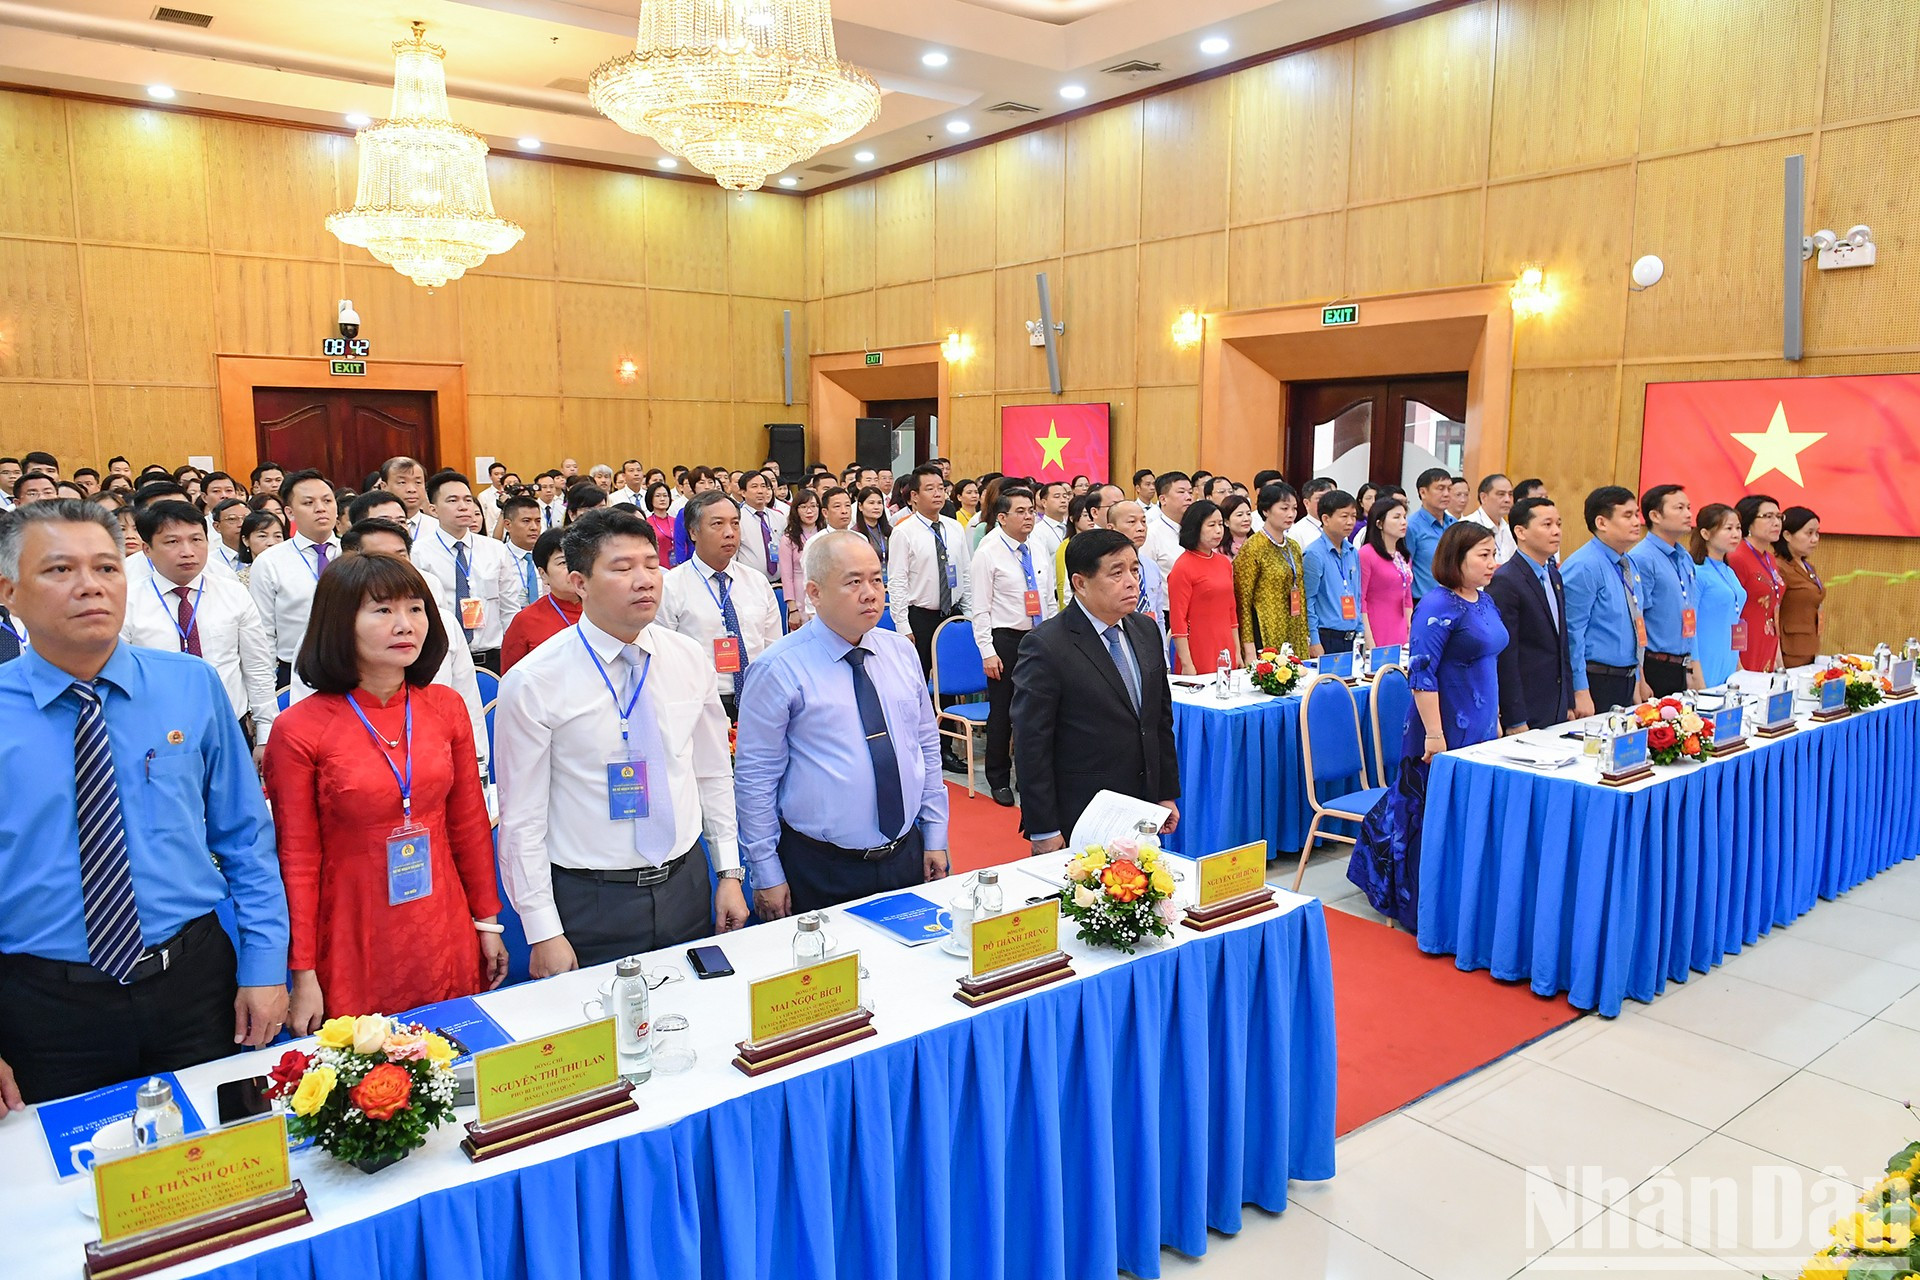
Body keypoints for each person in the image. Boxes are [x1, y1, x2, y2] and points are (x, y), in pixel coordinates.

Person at [0, 501, 289, 1105]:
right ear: (9, 593)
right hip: (43, 1006)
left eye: (107, 568)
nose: (90, 586)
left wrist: (265, 966)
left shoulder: (190, 683)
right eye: (59, 570)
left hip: (195, 986)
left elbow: (245, 837)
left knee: (229, 1153)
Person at [496, 509, 748, 974]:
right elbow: (522, 819)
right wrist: (542, 929)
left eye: (652, 564)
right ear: (580, 583)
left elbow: (712, 773)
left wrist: (728, 871)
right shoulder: (534, 681)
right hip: (591, 900)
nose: (645, 580)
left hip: (686, 882)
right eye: (622, 567)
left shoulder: (687, 657)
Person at [262, 554, 503, 1025]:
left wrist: (487, 922)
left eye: (415, 608)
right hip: (353, 929)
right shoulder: (299, 728)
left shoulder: (445, 707)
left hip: (442, 920)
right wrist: (303, 972)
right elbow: (297, 857)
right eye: (383, 610)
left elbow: (469, 825)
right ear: (339, 622)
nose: (405, 624)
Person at [733, 532, 949, 914]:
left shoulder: (901, 651)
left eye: (877, 580)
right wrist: (765, 871)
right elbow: (755, 778)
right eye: (853, 582)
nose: (870, 593)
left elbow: (926, 748)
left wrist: (934, 833)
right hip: (821, 865)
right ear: (814, 593)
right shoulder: (777, 668)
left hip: (905, 853)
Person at [1347, 522, 1507, 930]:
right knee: (1429, 813)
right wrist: (1435, 734)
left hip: (1481, 723)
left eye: (1493, 554)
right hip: (1443, 725)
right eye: (1484, 555)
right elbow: (1421, 673)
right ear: (1457, 559)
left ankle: (1458, 900)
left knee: (1466, 814)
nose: (1493, 562)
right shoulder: (1437, 605)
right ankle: (1419, 904)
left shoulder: (1484, 600)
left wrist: (1496, 718)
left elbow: (1489, 664)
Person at [1013, 529, 1181, 851]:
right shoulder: (1047, 645)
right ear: (1080, 583)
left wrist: (1165, 793)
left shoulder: (1145, 630)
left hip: (1141, 806)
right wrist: (1043, 828)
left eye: (1134, 570)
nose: (1131, 582)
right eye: (1116, 573)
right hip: (1081, 814)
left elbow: (1159, 721)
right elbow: (1031, 745)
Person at [120, 502, 277, 756]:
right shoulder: (127, 601)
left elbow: (257, 667)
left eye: (196, 540)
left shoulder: (233, 593)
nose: (187, 552)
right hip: (157, 730)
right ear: (147, 549)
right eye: (172, 542)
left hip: (228, 724)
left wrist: (265, 732)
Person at [659, 490, 781, 720]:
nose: (729, 533)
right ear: (693, 532)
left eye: (735, 523)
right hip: (701, 703)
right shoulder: (671, 586)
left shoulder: (756, 582)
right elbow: (664, 657)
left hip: (757, 698)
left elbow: (772, 647)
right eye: (717, 524)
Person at [969, 486, 1055, 807]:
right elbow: (980, 608)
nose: (1028, 517)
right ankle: (998, 777)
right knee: (1003, 712)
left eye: (1031, 510)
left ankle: (1028, 774)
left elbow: (1048, 597)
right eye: (1020, 511)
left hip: (1038, 638)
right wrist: (987, 651)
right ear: (1002, 518)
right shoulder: (988, 552)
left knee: (1037, 712)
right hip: (1004, 640)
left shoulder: (1037, 546)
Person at [410, 471, 524, 675]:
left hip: (493, 655)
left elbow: (509, 608)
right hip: (444, 656)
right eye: (452, 500)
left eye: (468, 500)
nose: (463, 506)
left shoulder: (495, 549)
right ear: (433, 510)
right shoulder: (419, 552)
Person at [248, 469, 341, 689]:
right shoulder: (270, 561)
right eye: (309, 503)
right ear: (289, 513)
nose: (320, 508)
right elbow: (263, 633)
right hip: (294, 670)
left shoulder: (354, 552)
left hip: (354, 665)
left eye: (327, 500)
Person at [1560, 486, 1650, 715]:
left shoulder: (1628, 562)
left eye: (1636, 514)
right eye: (1627, 515)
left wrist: (1638, 677)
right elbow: (1571, 633)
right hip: (1596, 679)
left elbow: (1636, 620)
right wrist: (1580, 690)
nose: (1637, 522)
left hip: (1627, 677)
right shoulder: (1585, 566)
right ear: (1601, 523)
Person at [1488, 496, 1574, 734]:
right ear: (1520, 531)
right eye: (1547, 525)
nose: (1556, 531)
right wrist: (1515, 717)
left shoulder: (1554, 575)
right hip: (1526, 706)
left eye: (1558, 524)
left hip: (1555, 703)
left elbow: (1562, 643)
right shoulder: (1506, 580)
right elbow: (1506, 655)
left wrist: (1568, 700)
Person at [887, 465, 971, 681]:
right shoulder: (903, 532)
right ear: (914, 496)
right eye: (930, 489)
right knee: (917, 680)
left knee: (952, 681)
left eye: (941, 488)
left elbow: (965, 573)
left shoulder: (954, 528)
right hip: (921, 617)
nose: (937, 494)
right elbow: (897, 581)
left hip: (953, 615)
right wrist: (903, 626)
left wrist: (969, 614)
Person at [1626, 484, 1701, 696]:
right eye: (1679, 508)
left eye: (1688, 507)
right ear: (1655, 516)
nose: (1688, 514)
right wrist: (1640, 678)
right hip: (1654, 666)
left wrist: (1691, 667)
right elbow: (1637, 619)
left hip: (1680, 665)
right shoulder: (1642, 558)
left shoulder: (1684, 557)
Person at [1233, 481, 1311, 660]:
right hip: (1265, 629)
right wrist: (1248, 647)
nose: (1291, 514)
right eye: (1284, 508)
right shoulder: (1253, 548)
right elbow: (1243, 601)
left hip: (1293, 627)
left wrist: (1305, 635)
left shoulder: (1293, 546)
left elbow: (1301, 592)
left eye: (1294, 508)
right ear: (1266, 510)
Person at [1169, 499, 1239, 676]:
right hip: (1198, 648)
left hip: (1225, 644)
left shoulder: (1224, 563)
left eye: (1220, 524)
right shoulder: (1183, 567)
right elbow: (1178, 620)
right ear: (1195, 527)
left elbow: (1232, 612)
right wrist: (1187, 663)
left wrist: (1237, 651)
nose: (1218, 530)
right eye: (1211, 525)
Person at [501, 529, 582, 673]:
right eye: (563, 562)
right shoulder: (525, 621)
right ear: (543, 574)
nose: (573, 568)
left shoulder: (606, 611)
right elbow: (511, 678)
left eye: (577, 559)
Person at [1689, 503, 1749, 688]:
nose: (1736, 534)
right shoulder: (1697, 572)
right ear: (1705, 533)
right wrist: (1695, 673)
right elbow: (1690, 628)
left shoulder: (1729, 571)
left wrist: (1738, 664)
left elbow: (1735, 620)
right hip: (1705, 662)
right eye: (1728, 528)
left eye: (1738, 528)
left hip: (1729, 662)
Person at [1728, 494, 1786, 673]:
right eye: (1768, 516)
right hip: (1744, 643)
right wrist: (1736, 662)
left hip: (1768, 642)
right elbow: (1731, 612)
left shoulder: (1769, 558)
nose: (1776, 523)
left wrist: (1779, 660)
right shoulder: (1737, 556)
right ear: (1748, 522)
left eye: (1779, 516)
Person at [1303, 489, 1362, 657]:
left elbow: (1357, 595)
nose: (1350, 522)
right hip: (1326, 636)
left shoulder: (1352, 552)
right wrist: (1314, 641)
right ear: (1326, 519)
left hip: (1351, 636)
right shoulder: (1314, 554)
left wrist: (1361, 631)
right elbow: (1308, 600)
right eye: (1344, 516)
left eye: (1353, 516)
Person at [1357, 496, 1413, 648]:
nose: (1403, 522)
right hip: (1376, 627)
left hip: (1400, 628)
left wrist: (1410, 629)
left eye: (1404, 517)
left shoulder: (1404, 556)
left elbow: (1407, 596)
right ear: (1379, 523)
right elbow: (1361, 599)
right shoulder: (1366, 554)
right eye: (1396, 517)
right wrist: (1368, 639)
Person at [1775, 506, 1824, 668]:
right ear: (1787, 535)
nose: (1815, 539)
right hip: (1788, 648)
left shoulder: (1809, 568)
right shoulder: (1779, 567)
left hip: (1809, 645)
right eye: (1809, 533)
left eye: (1817, 533)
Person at [1404, 467, 1457, 603]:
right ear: (1423, 492)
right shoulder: (1411, 526)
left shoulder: (1454, 524)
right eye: (1440, 488)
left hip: (1453, 599)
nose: (1446, 494)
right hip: (1422, 601)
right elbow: (1405, 569)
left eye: (1449, 489)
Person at [778, 488, 823, 628]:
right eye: (804, 507)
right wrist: (793, 609)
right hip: (799, 595)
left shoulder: (825, 534)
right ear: (796, 510)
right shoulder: (788, 539)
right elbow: (787, 577)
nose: (809, 511)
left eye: (813, 506)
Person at [499, 493, 545, 604]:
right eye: (526, 521)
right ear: (508, 525)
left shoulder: (547, 556)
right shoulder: (498, 557)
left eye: (538, 521)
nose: (534, 527)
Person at [1143, 472, 1192, 576]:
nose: (1188, 497)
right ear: (1163, 499)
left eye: (1190, 492)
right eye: (1181, 492)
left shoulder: (1196, 529)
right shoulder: (1151, 534)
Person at [1462, 474, 1517, 564]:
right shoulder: (1466, 527)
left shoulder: (1509, 529)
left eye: (1510, 494)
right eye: (1501, 494)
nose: (1507, 499)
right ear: (1483, 497)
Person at [236, 510, 285, 585]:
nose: (271, 543)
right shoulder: (237, 581)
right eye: (262, 536)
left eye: (278, 536)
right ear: (246, 540)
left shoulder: (294, 574)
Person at [1030, 481, 1072, 565]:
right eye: (1057, 497)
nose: (1063, 500)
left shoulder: (1071, 526)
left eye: (1065, 496)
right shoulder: (1037, 532)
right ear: (1044, 503)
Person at [852, 485, 891, 570]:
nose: (876, 507)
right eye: (871, 503)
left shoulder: (890, 531)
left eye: (879, 503)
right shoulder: (855, 534)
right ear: (860, 506)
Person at [1290, 477, 1335, 552]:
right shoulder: (1296, 532)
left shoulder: (1338, 526)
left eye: (1329, 498)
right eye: (1320, 499)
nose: (1326, 503)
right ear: (1307, 503)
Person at [642, 482, 678, 566]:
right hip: (657, 565)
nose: (662, 499)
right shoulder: (646, 523)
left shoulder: (676, 521)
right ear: (650, 499)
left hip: (678, 566)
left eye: (665, 496)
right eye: (658, 496)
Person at [1218, 492, 1253, 558]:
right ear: (1226, 522)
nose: (1246, 519)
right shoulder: (1219, 550)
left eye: (1248, 514)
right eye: (1239, 515)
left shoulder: (1259, 542)